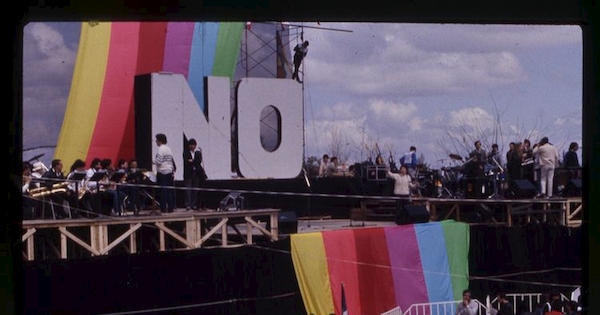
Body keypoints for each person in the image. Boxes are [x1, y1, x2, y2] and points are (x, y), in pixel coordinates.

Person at [154, 133, 176, 213]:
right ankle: (170, 208)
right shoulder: (168, 149)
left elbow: (159, 161)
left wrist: (154, 162)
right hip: (169, 171)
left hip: (162, 172)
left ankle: (163, 208)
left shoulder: (161, 149)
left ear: (159, 140)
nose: (156, 141)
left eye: (156, 140)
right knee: (169, 191)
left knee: (163, 191)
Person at [183, 138, 206, 210]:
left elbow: (198, 161)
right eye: (191, 145)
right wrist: (193, 161)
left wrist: (192, 161)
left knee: (195, 190)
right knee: (188, 190)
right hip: (188, 173)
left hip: (197, 173)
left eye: (193, 145)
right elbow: (186, 162)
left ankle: (194, 204)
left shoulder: (198, 153)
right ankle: (188, 205)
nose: (192, 146)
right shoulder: (186, 152)